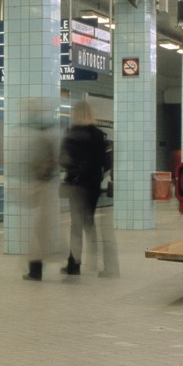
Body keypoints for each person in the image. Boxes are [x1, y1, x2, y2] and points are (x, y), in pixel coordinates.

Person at [59, 99, 119, 277]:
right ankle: (95, 260)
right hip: (92, 185)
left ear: (75, 115)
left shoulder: (70, 134)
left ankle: (73, 265)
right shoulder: (99, 135)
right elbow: (104, 162)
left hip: (75, 184)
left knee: (75, 225)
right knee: (89, 223)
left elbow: (63, 160)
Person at [15, 97, 59, 281]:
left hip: (42, 190)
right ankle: (36, 269)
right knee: (40, 232)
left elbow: (46, 165)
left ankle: (36, 270)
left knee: (39, 232)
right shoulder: (46, 134)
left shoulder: (41, 137)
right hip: (43, 189)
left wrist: (35, 187)